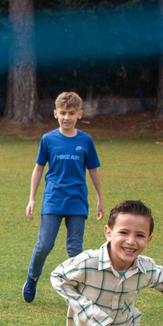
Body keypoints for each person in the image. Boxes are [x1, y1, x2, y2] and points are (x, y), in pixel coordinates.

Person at [22, 91, 105, 303]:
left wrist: (99, 199)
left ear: (79, 114)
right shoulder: (48, 139)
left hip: (77, 200)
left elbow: (93, 170)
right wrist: (31, 198)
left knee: (75, 249)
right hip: (53, 199)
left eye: (71, 113)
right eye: (63, 113)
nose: (67, 117)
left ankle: (74, 290)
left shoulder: (85, 140)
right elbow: (38, 169)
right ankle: (32, 278)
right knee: (44, 245)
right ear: (55, 114)